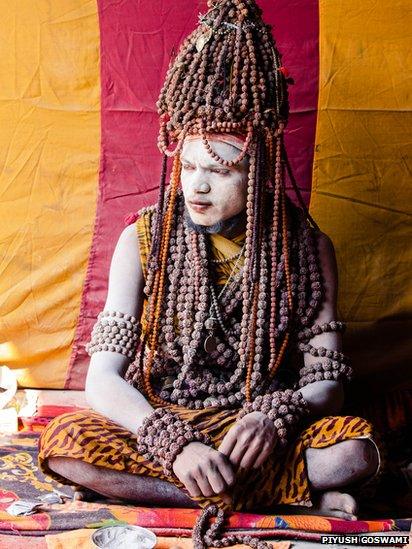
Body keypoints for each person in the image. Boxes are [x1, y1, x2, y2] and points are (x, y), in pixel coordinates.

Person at [38, 0, 380, 543]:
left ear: (261, 168)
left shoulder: (307, 248)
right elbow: (103, 379)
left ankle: (222, 484)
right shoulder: (143, 238)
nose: (197, 186)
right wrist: (173, 442)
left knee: (354, 450)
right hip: (165, 419)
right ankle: (285, 493)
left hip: (255, 428)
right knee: (65, 444)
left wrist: (276, 415)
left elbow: (327, 384)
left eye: (220, 170)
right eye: (188, 165)